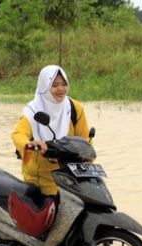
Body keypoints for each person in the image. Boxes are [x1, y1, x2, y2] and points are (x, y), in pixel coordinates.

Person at [11, 65, 90, 196]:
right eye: (54, 85)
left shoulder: (75, 108)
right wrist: (30, 144)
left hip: (70, 176)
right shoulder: (33, 111)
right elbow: (18, 134)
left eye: (64, 84)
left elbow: (85, 138)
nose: (61, 89)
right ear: (45, 87)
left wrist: (88, 159)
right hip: (40, 178)